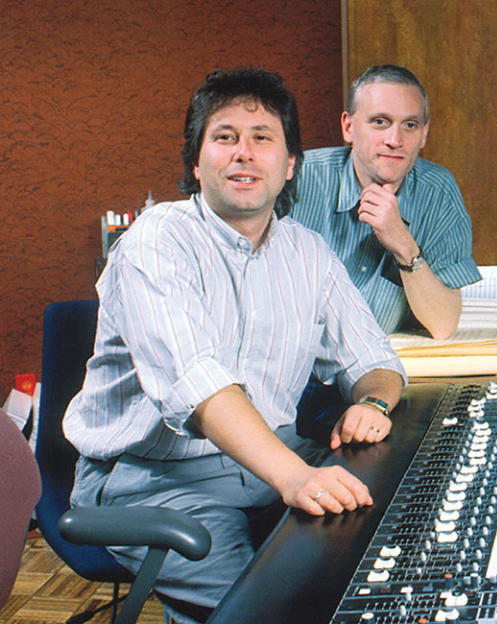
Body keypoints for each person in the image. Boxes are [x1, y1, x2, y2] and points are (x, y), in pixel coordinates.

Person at [63, 68, 406, 622]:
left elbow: (375, 360)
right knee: (268, 610)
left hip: (275, 461)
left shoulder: (308, 252)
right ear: (196, 163)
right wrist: (294, 476)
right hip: (153, 480)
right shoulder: (156, 239)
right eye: (224, 137)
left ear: (290, 163)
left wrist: (371, 402)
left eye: (262, 138)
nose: (243, 153)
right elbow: (200, 386)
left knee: (379, 566)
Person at [293, 64, 481, 340]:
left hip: (381, 371)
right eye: (380, 122)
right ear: (348, 126)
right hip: (295, 367)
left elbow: (442, 324)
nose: (395, 140)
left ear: (424, 134)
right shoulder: (298, 179)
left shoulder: (438, 191)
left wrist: (403, 244)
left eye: (410, 125)